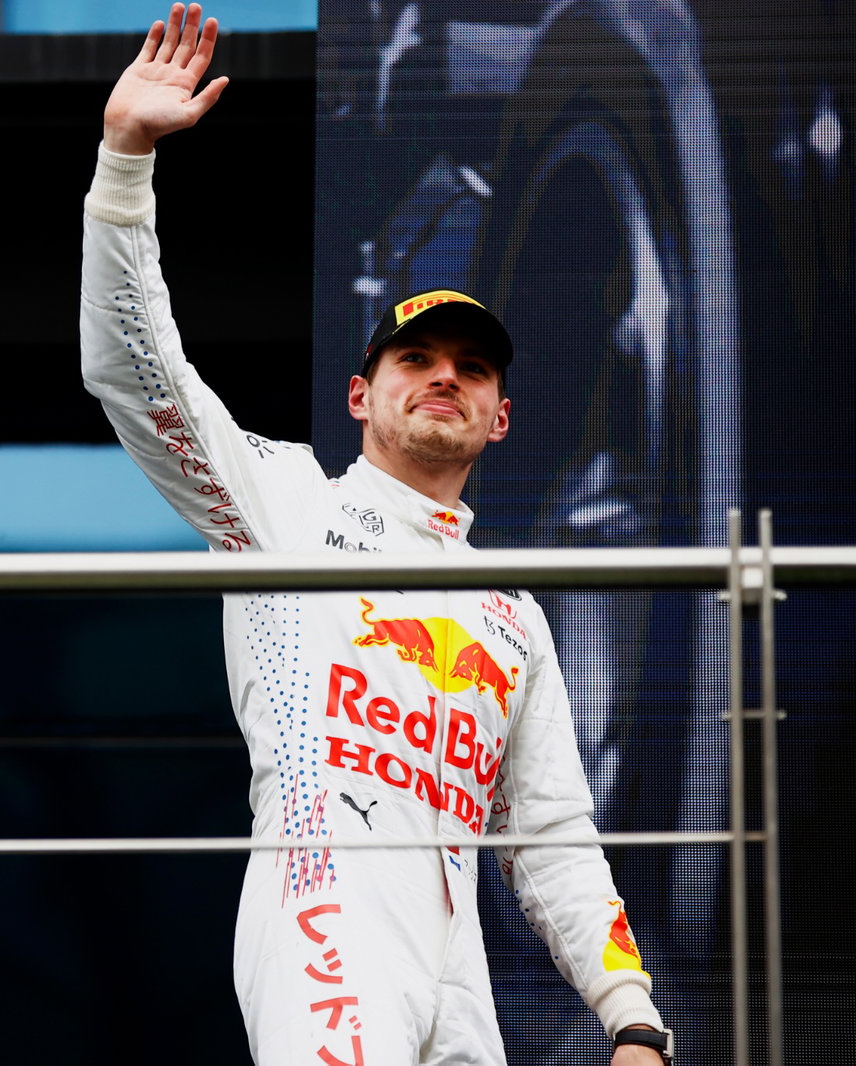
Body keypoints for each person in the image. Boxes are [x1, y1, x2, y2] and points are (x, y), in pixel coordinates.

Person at [78, 6, 674, 1063]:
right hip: (325, 907)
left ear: (499, 418)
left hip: (458, 968)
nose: (445, 374)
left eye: (473, 368)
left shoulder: (513, 616)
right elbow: (138, 373)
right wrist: (125, 162)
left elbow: (552, 841)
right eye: (417, 359)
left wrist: (630, 1016)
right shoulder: (281, 501)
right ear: (359, 395)